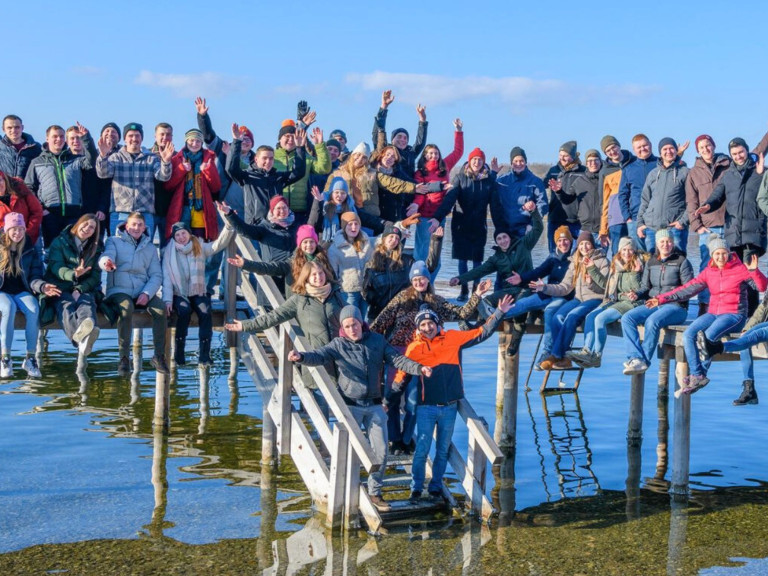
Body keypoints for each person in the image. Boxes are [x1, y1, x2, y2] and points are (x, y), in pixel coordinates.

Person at [287, 305, 431, 512]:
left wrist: (418, 368)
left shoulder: (377, 341)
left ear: (361, 323)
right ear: (343, 329)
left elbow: (397, 359)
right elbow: (319, 356)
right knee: (352, 451)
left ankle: (374, 492)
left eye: (354, 324)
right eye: (347, 326)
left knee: (380, 452)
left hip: (374, 405)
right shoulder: (339, 344)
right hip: (350, 406)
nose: (352, 329)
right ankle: (351, 489)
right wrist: (301, 357)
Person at [390, 297, 513, 502]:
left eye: (430, 323)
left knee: (442, 449)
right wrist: (388, 401)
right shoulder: (414, 348)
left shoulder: (453, 338)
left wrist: (499, 312)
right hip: (426, 407)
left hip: (449, 407)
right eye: (423, 325)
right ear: (418, 328)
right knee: (421, 449)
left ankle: (436, 486)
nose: (428, 327)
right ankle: (417, 487)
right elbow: (400, 377)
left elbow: (480, 333)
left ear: (437, 324)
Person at [371, 263, 491, 453]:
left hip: (424, 356)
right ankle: (394, 439)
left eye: (423, 278)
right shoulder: (401, 299)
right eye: (415, 279)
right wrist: (369, 344)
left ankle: (407, 438)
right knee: (392, 396)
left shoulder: (436, 301)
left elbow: (461, 313)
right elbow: (380, 322)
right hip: (398, 352)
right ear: (411, 281)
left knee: (413, 400)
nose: (419, 282)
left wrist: (477, 294)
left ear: (428, 279)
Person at [225, 259, 345, 416]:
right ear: (306, 278)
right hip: (316, 359)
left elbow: (350, 321)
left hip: (340, 359)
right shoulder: (300, 299)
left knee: (345, 409)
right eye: (313, 275)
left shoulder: (336, 294)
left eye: (321, 273)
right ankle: (320, 440)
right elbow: (273, 317)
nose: (318, 277)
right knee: (321, 410)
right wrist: (245, 325)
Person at [651, 235, 767, 395]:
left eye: (724, 253)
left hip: (734, 315)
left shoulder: (740, 269)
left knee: (709, 336)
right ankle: (697, 374)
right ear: (712, 255)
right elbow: (687, 289)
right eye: (717, 254)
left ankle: (700, 374)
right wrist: (661, 298)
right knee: (689, 334)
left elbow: (761, 287)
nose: (721, 257)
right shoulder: (708, 272)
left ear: (728, 253)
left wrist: (754, 271)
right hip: (713, 313)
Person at [99, 211, 169, 375]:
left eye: (140, 225)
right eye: (133, 225)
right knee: (126, 308)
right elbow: (105, 256)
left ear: (145, 227)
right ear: (126, 226)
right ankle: (124, 357)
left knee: (160, 309)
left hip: (141, 289)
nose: (136, 228)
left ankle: (158, 355)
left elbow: (156, 275)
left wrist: (147, 293)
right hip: (119, 290)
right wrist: (106, 263)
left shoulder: (150, 247)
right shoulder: (114, 241)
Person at [620, 229, 694, 375]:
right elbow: (645, 287)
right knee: (627, 318)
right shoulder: (651, 262)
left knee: (652, 321)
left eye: (669, 241)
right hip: (653, 303)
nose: (666, 244)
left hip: (676, 307)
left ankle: (644, 361)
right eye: (662, 241)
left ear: (673, 243)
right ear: (657, 243)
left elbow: (689, 290)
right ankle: (635, 357)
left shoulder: (682, 262)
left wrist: (666, 298)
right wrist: (637, 294)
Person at [162, 219, 234, 366]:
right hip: (178, 293)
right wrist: (167, 300)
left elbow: (217, 245)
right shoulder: (168, 253)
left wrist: (228, 227)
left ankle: (204, 355)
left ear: (189, 233)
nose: (181, 237)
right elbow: (167, 279)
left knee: (205, 311)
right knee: (184, 311)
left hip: (197, 290)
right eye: (178, 235)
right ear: (174, 238)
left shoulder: (199, 246)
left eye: (183, 233)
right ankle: (179, 353)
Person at [536, 231, 610, 370]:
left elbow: (607, 287)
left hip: (596, 299)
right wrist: (545, 287)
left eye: (587, 243)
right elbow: (565, 287)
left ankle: (556, 355)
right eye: (581, 244)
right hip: (579, 299)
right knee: (557, 316)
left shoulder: (602, 261)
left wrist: (591, 281)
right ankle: (564, 357)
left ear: (593, 245)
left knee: (572, 317)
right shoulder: (576, 261)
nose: (584, 247)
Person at [567, 237, 644, 368]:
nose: (627, 253)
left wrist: (635, 273)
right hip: (615, 300)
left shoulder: (639, 265)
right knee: (591, 316)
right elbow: (606, 285)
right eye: (624, 250)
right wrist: (592, 268)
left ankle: (596, 356)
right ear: (619, 250)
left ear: (634, 250)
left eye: (630, 250)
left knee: (600, 319)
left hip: (631, 303)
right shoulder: (616, 264)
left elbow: (639, 290)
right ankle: (587, 351)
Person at [0, 213, 59, 378]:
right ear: (6, 230)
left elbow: (34, 276)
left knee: (34, 309)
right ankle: (5, 358)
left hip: (21, 291)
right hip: (2, 292)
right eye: (13, 229)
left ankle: (30, 358)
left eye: (20, 229)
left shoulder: (29, 248)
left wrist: (42, 286)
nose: (17, 233)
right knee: (8, 308)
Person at [435, 147, 496, 301]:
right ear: (469, 161)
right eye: (474, 159)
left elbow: (495, 206)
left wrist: (500, 228)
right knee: (462, 260)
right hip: (460, 225)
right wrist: (437, 217)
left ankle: (476, 290)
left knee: (477, 261)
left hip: (479, 226)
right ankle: (463, 290)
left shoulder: (488, 180)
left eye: (480, 160)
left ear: (483, 162)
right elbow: (450, 199)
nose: (477, 162)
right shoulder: (460, 177)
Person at [449, 207, 543, 307]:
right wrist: (459, 279)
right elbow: (478, 271)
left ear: (509, 237)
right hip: (508, 291)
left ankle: (513, 319)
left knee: (518, 306)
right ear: (496, 242)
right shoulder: (496, 258)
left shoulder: (523, 244)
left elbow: (538, 228)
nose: (503, 241)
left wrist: (533, 211)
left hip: (527, 289)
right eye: (499, 239)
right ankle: (479, 322)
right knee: (483, 304)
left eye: (505, 237)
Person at [504, 225, 574, 358]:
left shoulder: (575, 259)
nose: (562, 243)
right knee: (522, 304)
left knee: (549, 312)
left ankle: (547, 351)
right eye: (559, 240)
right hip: (546, 292)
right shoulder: (553, 257)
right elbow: (539, 271)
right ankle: (491, 317)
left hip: (563, 296)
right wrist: (521, 278)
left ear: (570, 241)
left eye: (565, 240)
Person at [42, 214, 104, 361]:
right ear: (78, 223)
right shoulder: (60, 242)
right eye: (86, 224)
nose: (87, 229)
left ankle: (86, 330)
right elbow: (56, 267)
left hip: (83, 287)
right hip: (60, 285)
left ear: (95, 232)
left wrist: (80, 289)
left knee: (87, 302)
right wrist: (73, 274)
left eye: (92, 227)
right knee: (66, 305)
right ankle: (80, 340)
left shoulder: (96, 248)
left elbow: (95, 276)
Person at [96, 122, 174, 236]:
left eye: (137, 136)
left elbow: (163, 177)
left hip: (145, 212)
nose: (134, 139)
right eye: (130, 136)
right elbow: (103, 174)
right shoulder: (116, 157)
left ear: (142, 138)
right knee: (119, 248)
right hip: (120, 212)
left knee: (144, 249)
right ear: (125, 139)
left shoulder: (151, 158)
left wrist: (166, 162)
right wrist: (103, 156)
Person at [25, 123, 96, 246]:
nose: (59, 139)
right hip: (50, 213)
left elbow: (91, 161)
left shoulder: (75, 159)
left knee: (73, 249)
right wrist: (41, 208)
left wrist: (86, 138)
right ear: (47, 138)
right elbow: (29, 187)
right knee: (51, 250)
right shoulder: (37, 162)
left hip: (73, 213)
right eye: (55, 136)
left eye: (62, 136)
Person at [226, 123, 306, 225]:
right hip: (255, 227)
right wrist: (236, 142)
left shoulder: (278, 177)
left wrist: (299, 148)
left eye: (271, 158)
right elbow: (230, 168)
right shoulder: (247, 177)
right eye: (264, 158)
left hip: (275, 226)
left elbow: (298, 172)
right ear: (256, 159)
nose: (268, 161)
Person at [685, 134, 729, 316]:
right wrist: (697, 225)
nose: (706, 149)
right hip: (708, 227)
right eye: (701, 147)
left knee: (729, 266)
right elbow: (691, 201)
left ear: (714, 145)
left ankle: (727, 303)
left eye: (708, 145)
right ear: (698, 151)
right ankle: (704, 303)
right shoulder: (694, 173)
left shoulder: (728, 165)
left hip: (729, 224)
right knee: (706, 267)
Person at [412, 119, 464, 269]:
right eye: (430, 153)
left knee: (436, 254)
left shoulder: (445, 166)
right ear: (425, 156)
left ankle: (431, 285)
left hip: (439, 216)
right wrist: (416, 205)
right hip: (423, 217)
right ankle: (417, 282)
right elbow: (420, 193)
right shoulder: (420, 172)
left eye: (436, 153)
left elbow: (458, 152)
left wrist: (458, 131)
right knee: (421, 253)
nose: (434, 156)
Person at [227, 224, 334, 296]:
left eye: (311, 242)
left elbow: (332, 280)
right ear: (300, 245)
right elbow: (269, 268)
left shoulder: (324, 260)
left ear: (316, 243)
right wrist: (246, 264)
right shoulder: (292, 263)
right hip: (300, 306)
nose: (309, 245)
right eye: (305, 242)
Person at [363, 223, 442, 320]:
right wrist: (374, 300)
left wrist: (436, 241)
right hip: (378, 314)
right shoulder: (372, 260)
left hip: (402, 313)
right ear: (383, 239)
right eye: (391, 237)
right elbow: (365, 288)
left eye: (397, 238)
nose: (394, 240)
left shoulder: (407, 261)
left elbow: (429, 268)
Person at [164, 128, 222, 241]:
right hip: (182, 207)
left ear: (202, 143)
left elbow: (216, 187)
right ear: (186, 141)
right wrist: (181, 170)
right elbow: (168, 186)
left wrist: (208, 171)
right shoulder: (177, 159)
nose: (194, 144)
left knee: (199, 241)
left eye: (198, 141)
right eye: (191, 140)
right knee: (181, 239)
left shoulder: (208, 159)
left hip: (200, 208)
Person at [273, 117, 331, 226]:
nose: (291, 140)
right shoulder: (271, 157)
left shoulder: (305, 158)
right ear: (280, 139)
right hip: (277, 211)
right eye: (287, 136)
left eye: (293, 137)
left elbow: (324, 168)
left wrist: (320, 146)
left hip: (299, 211)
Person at [637, 137, 690, 253]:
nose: (668, 151)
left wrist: (683, 221)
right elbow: (645, 200)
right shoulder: (653, 174)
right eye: (665, 149)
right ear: (660, 153)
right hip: (651, 227)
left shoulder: (685, 172)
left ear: (676, 151)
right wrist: (640, 223)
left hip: (674, 227)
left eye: (671, 148)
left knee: (677, 261)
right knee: (652, 262)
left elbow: (692, 201)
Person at [491, 146, 547, 239]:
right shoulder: (502, 180)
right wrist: (493, 173)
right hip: (505, 230)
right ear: (511, 163)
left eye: (521, 161)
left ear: (525, 162)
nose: (519, 164)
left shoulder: (535, 182)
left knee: (522, 253)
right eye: (515, 161)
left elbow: (543, 204)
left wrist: (532, 224)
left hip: (525, 230)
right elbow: (489, 191)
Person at [372, 89, 428, 178]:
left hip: (409, 189)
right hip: (388, 189)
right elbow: (377, 133)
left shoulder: (410, 154)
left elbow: (420, 143)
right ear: (392, 139)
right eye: (399, 136)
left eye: (405, 138)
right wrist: (383, 107)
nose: (402, 140)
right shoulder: (384, 150)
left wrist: (422, 121)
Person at [328, 211, 373, 316]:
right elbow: (333, 272)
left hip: (366, 289)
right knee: (352, 318)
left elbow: (372, 263)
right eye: (350, 224)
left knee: (367, 321)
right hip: (348, 291)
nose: (353, 227)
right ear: (344, 226)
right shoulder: (335, 248)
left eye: (356, 224)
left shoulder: (366, 242)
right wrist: (340, 288)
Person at [619, 133, 659, 247]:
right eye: (639, 147)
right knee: (638, 255)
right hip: (635, 218)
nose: (643, 149)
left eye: (645, 145)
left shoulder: (660, 164)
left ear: (650, 145)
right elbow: (623, 195)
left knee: (656, 254)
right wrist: (627, 218)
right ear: (634, 149)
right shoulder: (628, 169)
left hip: (657, 218)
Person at [545, 141, 585, 251]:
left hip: (575, 221)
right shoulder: (553, 171)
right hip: (555, 218)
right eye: (560, 155)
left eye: (566, 155)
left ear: (573, 156)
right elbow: (541, 186)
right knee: (554, 255)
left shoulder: (583, 171)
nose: (562, 158)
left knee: (575, 256)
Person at [598, 135, 635, 254]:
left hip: (635, 215)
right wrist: (603, 229)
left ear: (619, 146)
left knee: (637, 251)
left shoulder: (634, 162)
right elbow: (604, 201)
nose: (612, 152)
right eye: (608, 151)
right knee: (617, 252)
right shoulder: (605, 171)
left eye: (613, 147)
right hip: (616, 218)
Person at [563, 149, 602, 242]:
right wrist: (559, 191)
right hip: (584, 229)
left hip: (603, 231)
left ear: (601, 161)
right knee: (577, 256)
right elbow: (567, 200)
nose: (593, 163)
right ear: (586, 164)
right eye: (590, 161)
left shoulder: (606, 179)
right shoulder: (580, 181)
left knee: (599, 256)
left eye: (596, 160)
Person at [309, 177, 358, 245]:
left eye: (343, 193)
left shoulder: (350, 207)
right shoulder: (324, 206)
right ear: (331, 193)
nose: (339, 196)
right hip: (325, 244)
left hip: (345, 244)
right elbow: (312, 224)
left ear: (347, 195)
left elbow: (365, 219)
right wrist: (318, 202)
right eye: (336, 192)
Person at [0, 171, 42, 244]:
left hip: (28, 238)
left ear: (4, 179)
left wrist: (27, 233)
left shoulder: (19, 187)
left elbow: (36, 211)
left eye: (0, 180)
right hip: (4, 241)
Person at [151, 122, 175, 248]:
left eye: (168, 134)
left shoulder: (177, 157)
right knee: (146, 246)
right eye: (162, 134)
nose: (165, 137)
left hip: (170, 211)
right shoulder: (147, 155)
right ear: (155, 136)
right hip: (150, 209)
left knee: (168, 249)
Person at [0, 114, 41, 179]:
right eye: (9, 128)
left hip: (28, 188)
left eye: (17, 127)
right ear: (3, 129)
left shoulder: (36, 148)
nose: (13, 130)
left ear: (22, 127)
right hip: (5, 187)